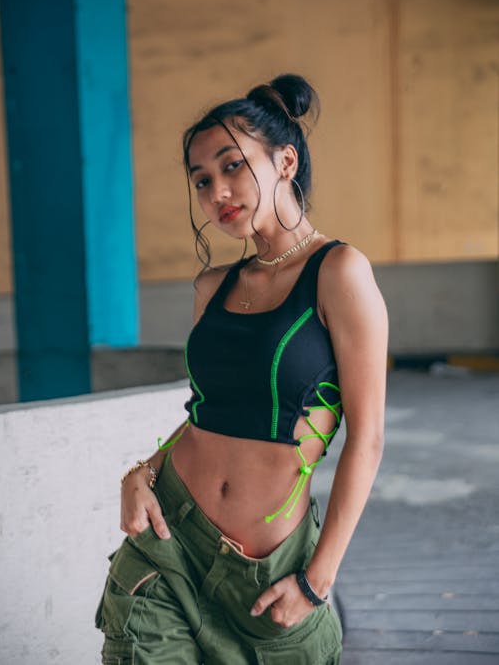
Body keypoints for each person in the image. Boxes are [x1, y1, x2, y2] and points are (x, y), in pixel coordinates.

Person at [95, 73, 388, 665]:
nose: (216, 192)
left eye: (232, 166)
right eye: (201, 180)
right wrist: (142, 472)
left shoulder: (338, 272)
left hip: (269, 577)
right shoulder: (213, 287)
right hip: (168, 545)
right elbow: (207, 414)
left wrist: (317, 579)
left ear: (285, 161)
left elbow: (369, 436)